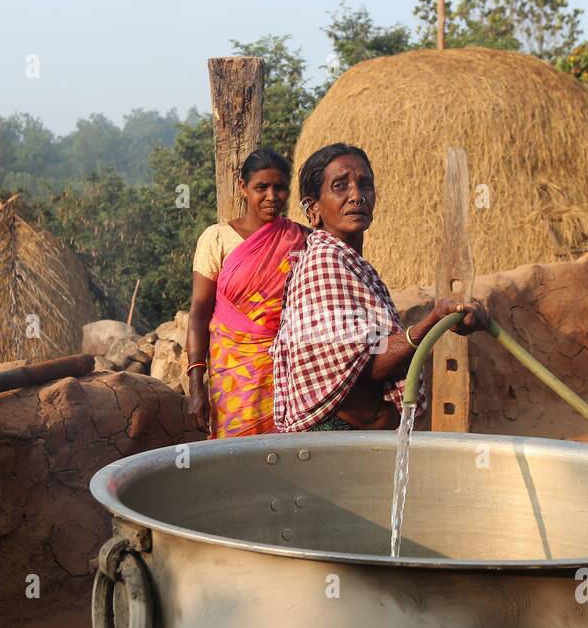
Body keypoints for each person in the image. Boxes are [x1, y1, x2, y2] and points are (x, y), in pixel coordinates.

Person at [271, 143, 488, 432]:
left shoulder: (351, 264)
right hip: (337, 444)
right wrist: (434, 320)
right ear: (313, 209)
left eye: (365, 185)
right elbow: (367, 363)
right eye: (340, 186)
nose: (357, 196)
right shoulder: (324, 264)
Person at [186, 149, 308, 437]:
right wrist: (195, 387)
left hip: (287, 370)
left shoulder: (303, 239)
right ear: (243, 187)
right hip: (232, 373)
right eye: (261, 188)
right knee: (234, 460)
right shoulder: (217, 239)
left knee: (288, 455)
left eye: (279, 188)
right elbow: (199, 315)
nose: (272, 196)